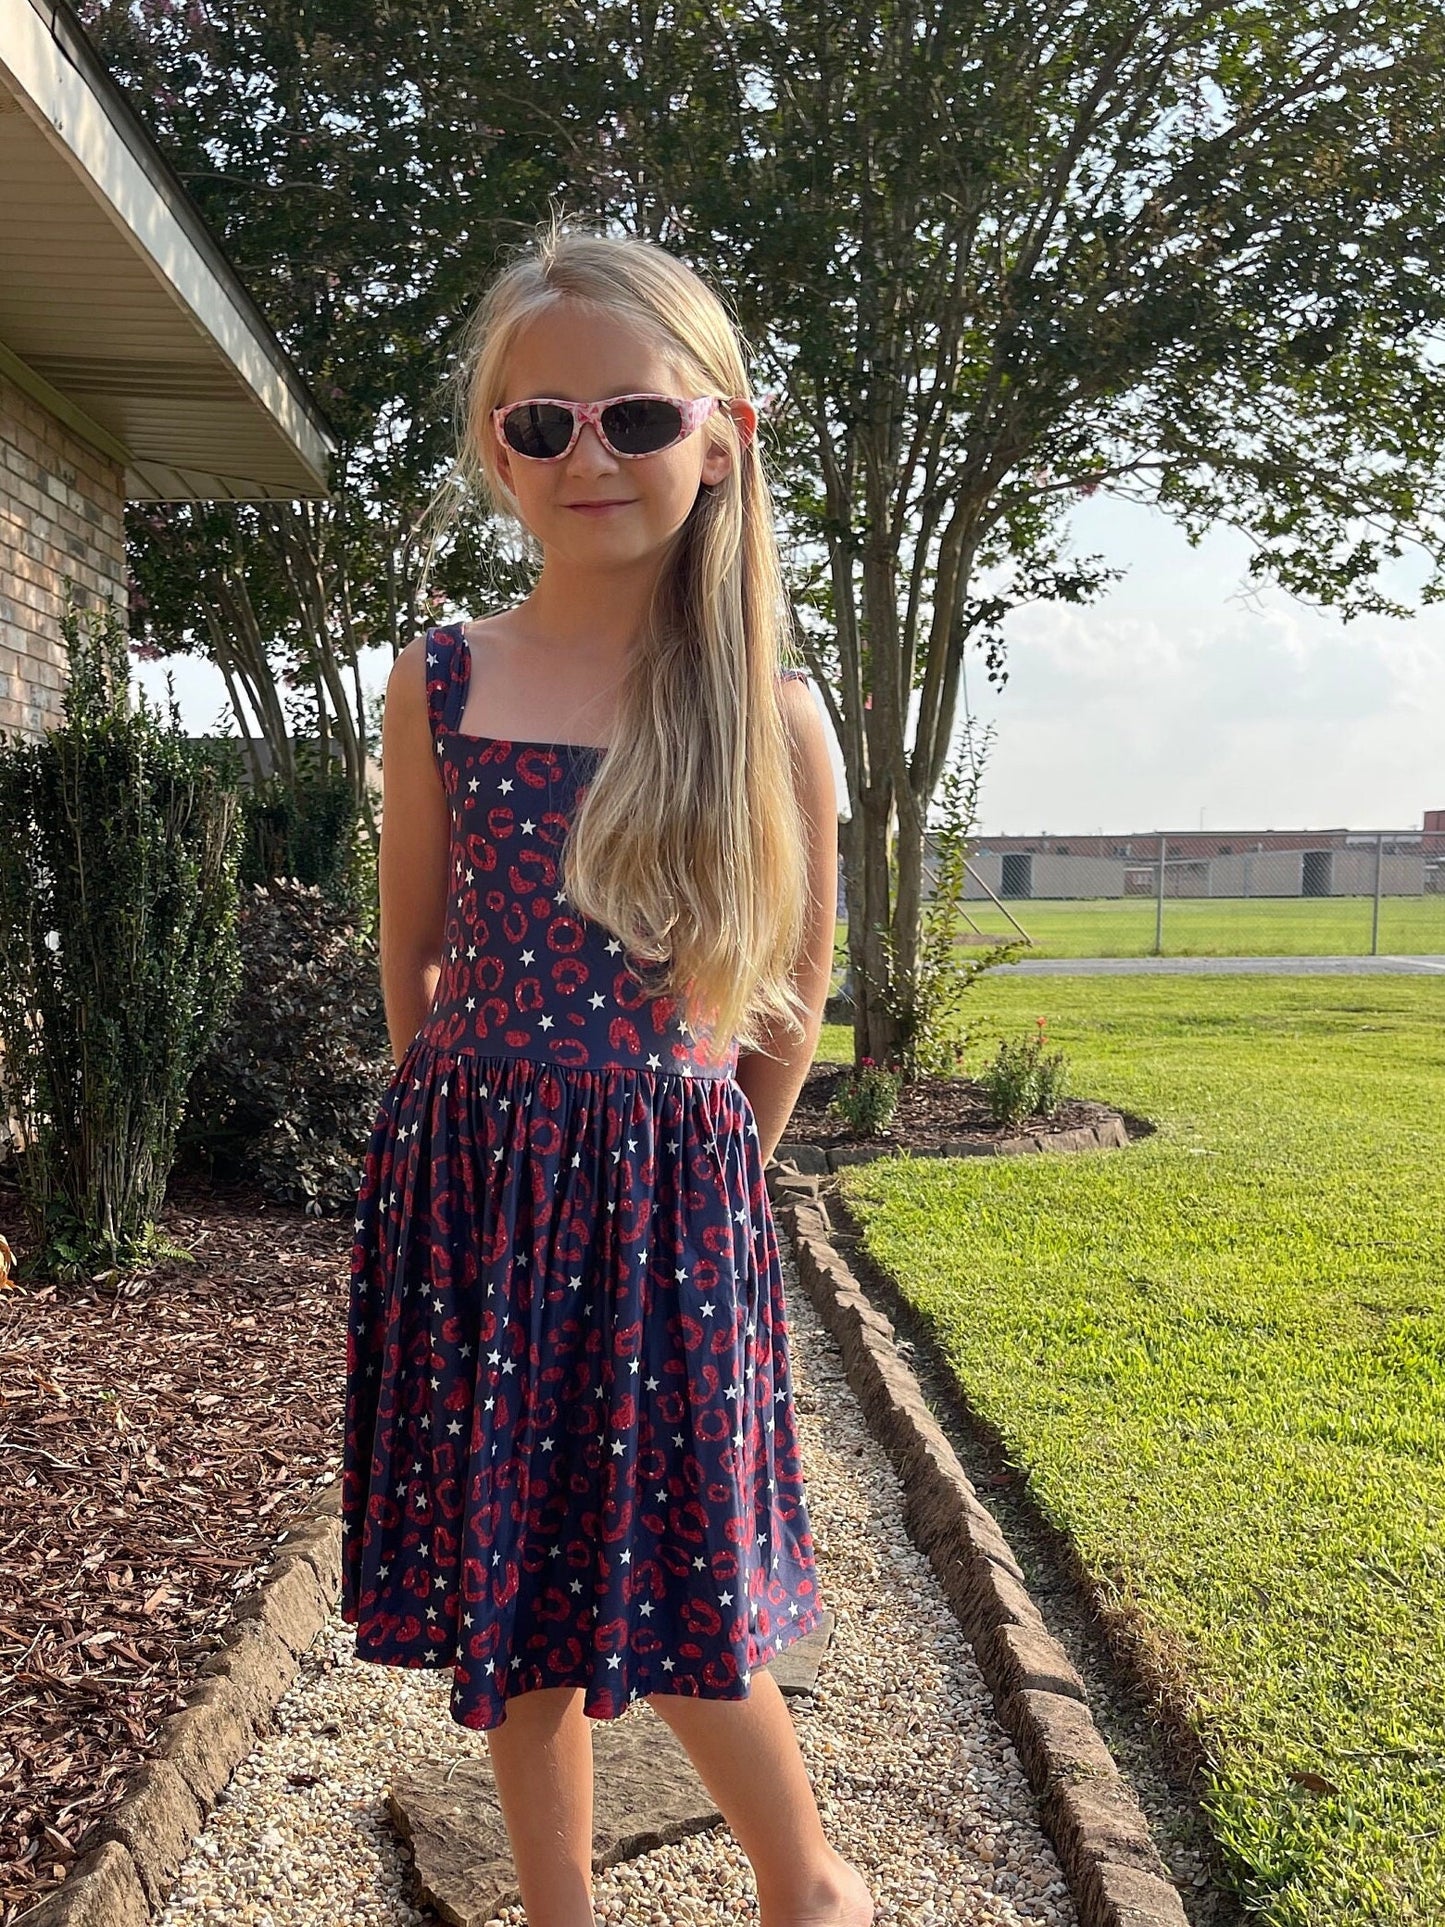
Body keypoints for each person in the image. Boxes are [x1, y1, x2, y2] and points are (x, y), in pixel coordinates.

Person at [341, 213, 870, 1927]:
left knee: (681, 1590)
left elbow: (791, 995)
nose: (589, 454)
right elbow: (412, 953)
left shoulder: (764, 708)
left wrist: (712, 1166)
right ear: (494, 444)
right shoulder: (441, 680)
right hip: (477, 1199)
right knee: (521, 1607)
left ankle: (811, 1890)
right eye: (540, 421)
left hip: (666, 1217)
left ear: (717, 432)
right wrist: (465, 1146)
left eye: (634, 417)